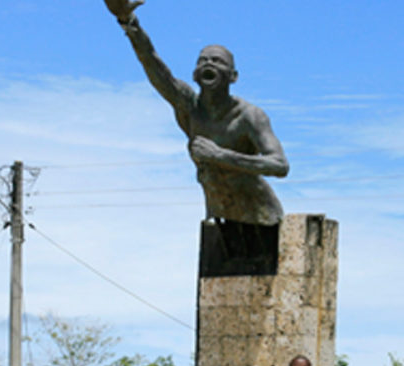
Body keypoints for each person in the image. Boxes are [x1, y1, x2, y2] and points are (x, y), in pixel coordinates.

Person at [103, 0, 290, 229]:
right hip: (218, 220)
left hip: (261, 220)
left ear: (233, 76)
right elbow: (152, 62)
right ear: (195, 74)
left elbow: (279, 165)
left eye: (218, 61)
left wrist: (219, 155)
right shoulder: (189, 106)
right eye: (203, 60)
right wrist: (128, 22)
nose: (208, 63)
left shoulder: (250, 116)